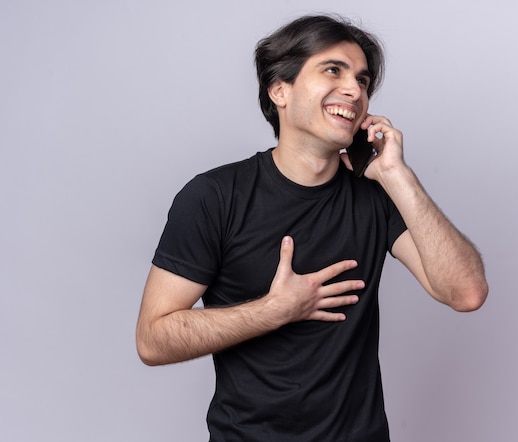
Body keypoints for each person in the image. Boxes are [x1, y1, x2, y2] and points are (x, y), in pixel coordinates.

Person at [136, 13, 488, 442]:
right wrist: (276, 310)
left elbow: (466, 291)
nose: (354, 90)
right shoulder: (214, 197)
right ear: (279, 89)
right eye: (333, 70)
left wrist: (397, 175)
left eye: (362, 80)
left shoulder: (376, 195)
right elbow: (153, 339)